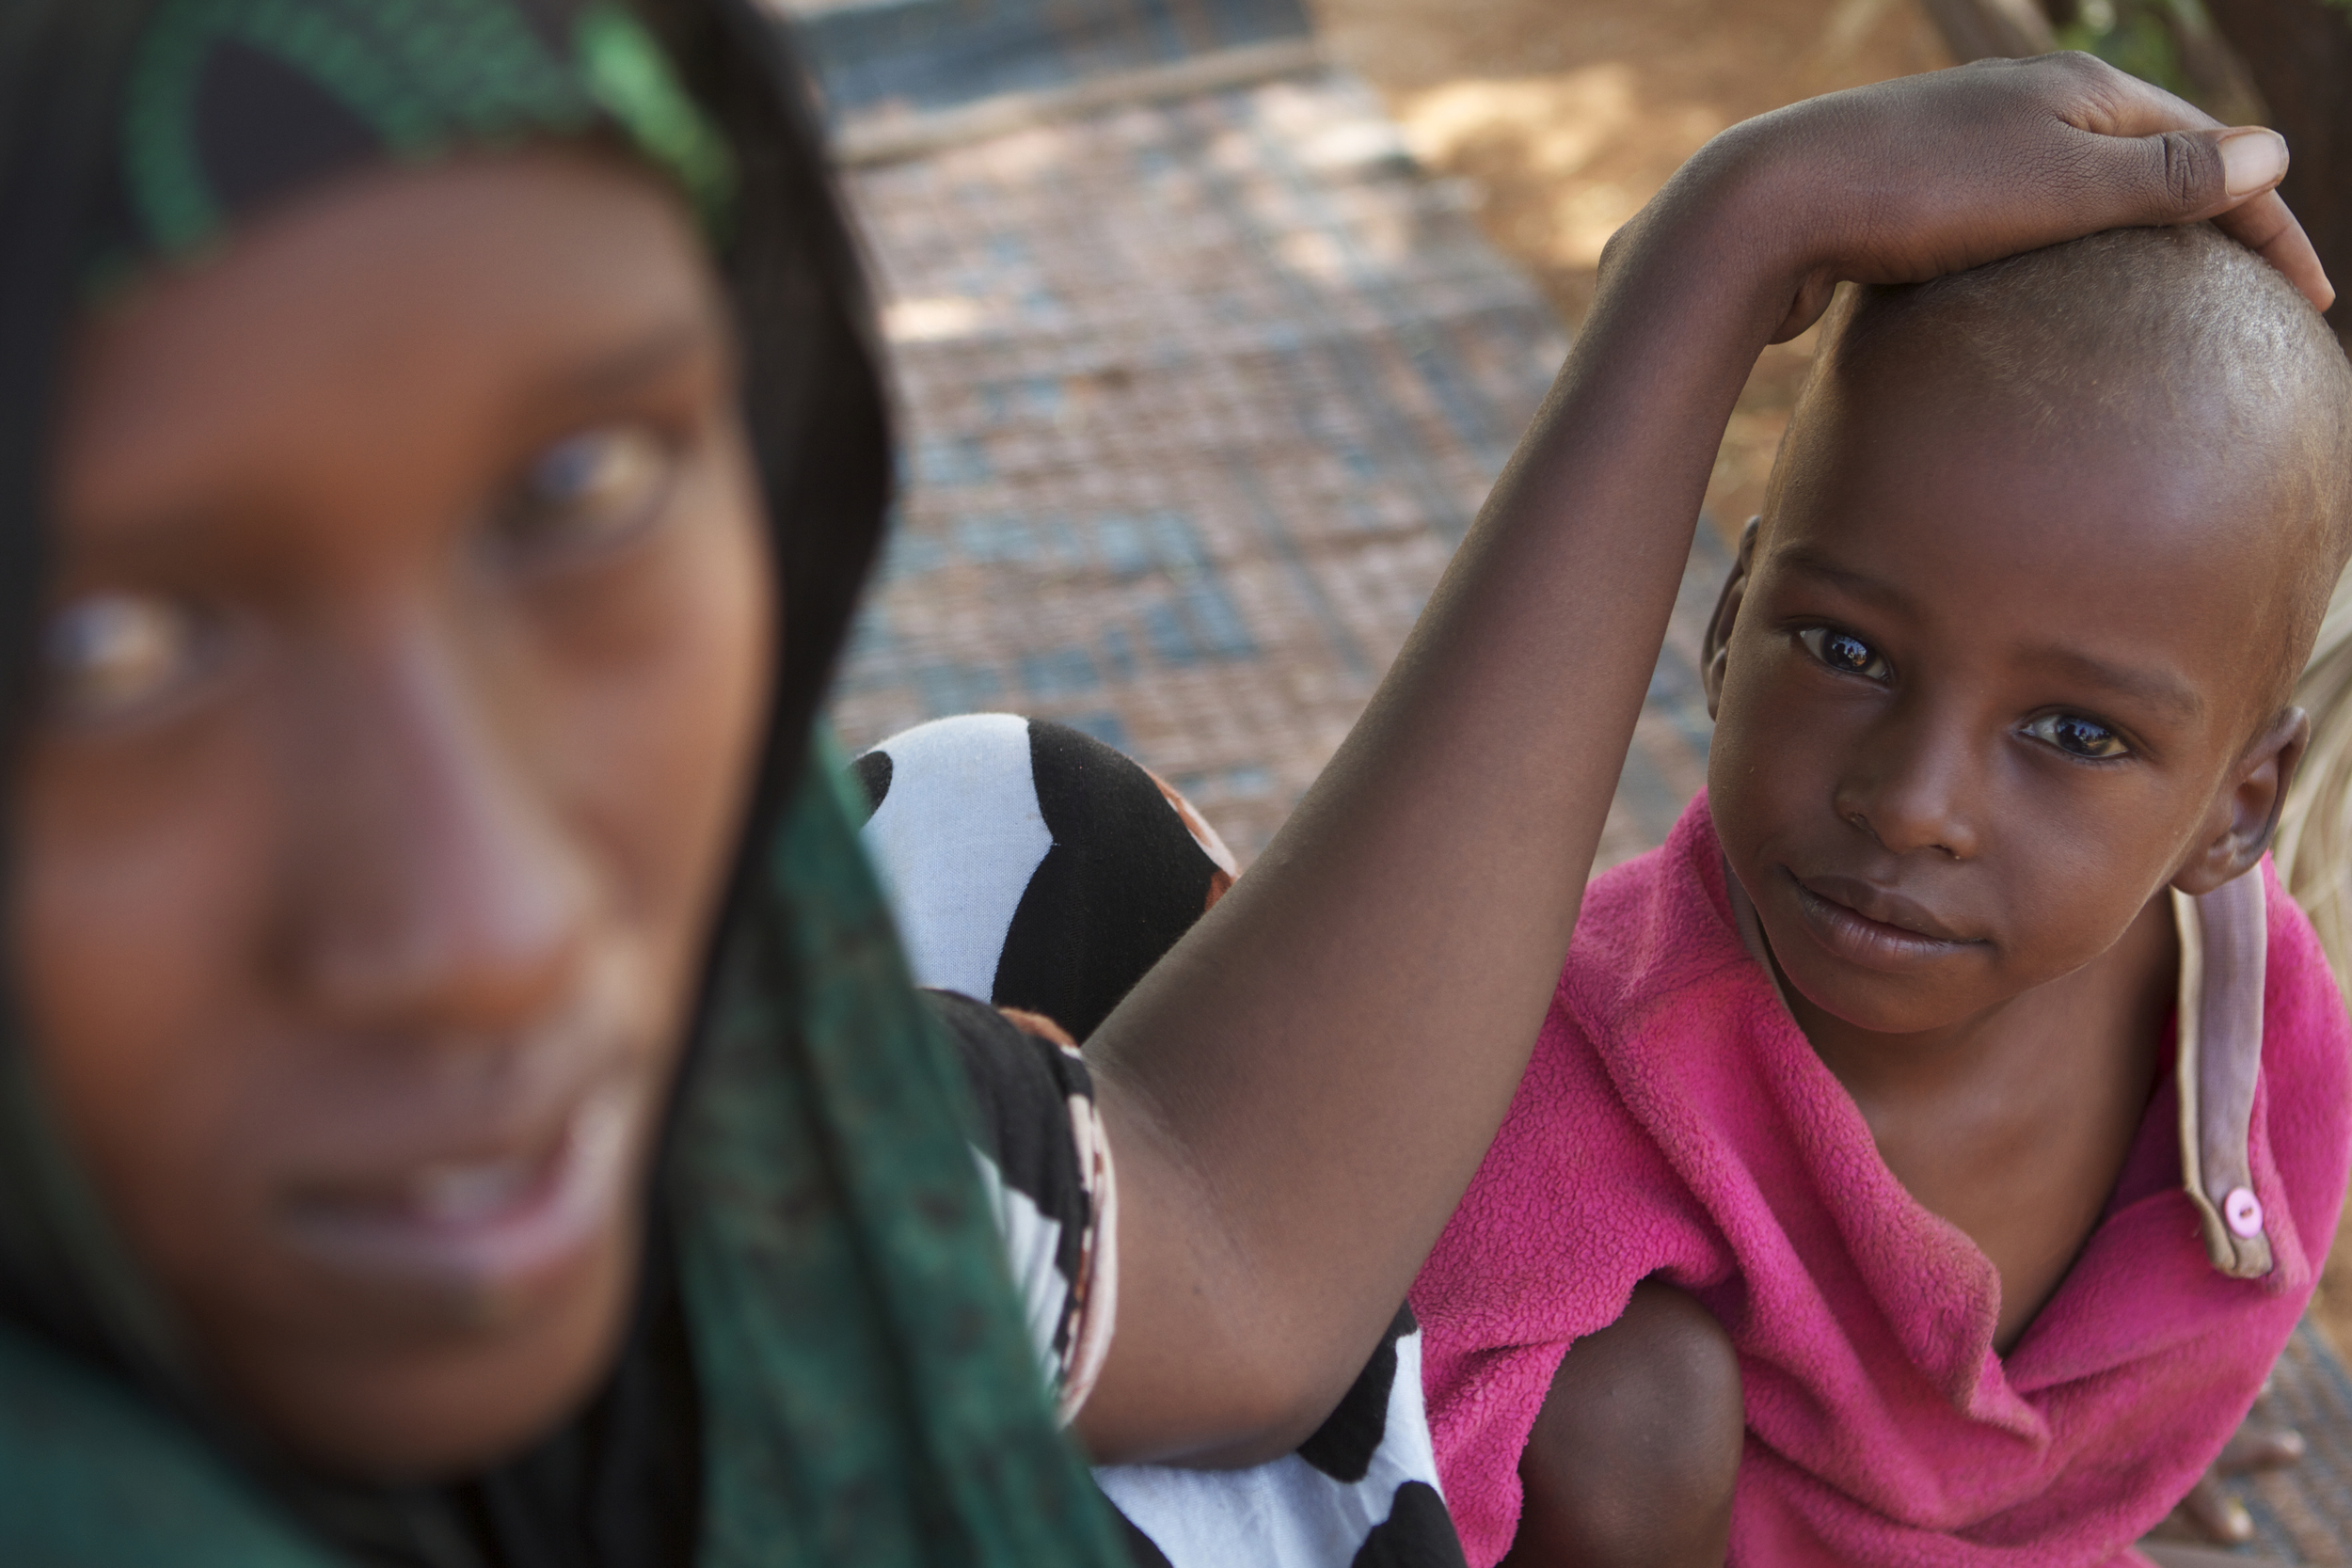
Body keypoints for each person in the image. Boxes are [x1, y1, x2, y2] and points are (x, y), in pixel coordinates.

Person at [0, 0, 2328, 1560]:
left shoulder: (737, 1102)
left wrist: (1721, 246)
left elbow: (1211, 1239)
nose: (482, 902)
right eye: (118, 645)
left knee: (1028, 816)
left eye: (583, 492)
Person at [1406, 221, 2352, 1567]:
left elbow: (2197, 1314)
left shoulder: (2252, 1029)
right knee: (1622, 1414)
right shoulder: (1572, 1058)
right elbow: (1390, 1473)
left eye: (2076, 734)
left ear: (2237, 808)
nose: (1911, 802)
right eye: (1847, 649)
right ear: (1730, 628)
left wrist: (2106, 1461)